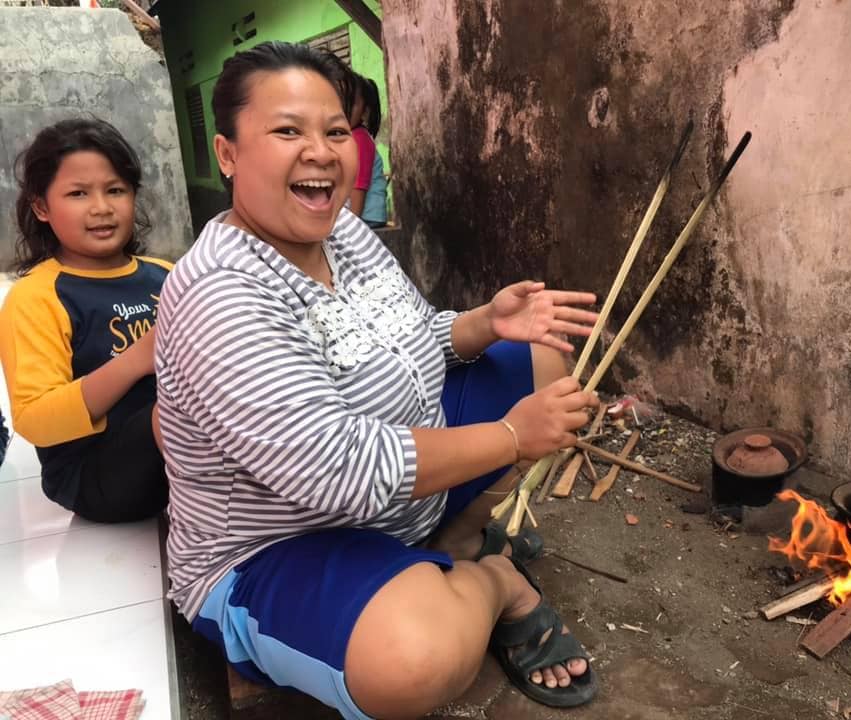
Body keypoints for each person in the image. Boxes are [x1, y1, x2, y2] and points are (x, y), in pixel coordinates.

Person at [155, 42, 601, 719]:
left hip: (395, 501)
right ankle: (494, 582)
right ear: (227, 153)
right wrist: (512, 437)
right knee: (412, 660)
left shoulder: (343, 236)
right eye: (287, 131)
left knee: (540, 357)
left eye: (335, 131)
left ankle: (446, 542)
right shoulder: (221, 296)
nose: (322, 151)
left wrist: (483, 323)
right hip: (274, 545)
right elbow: (341, 469)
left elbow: (411, 339)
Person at [0, 118, 169, 523]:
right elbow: (37, 421)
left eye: (116, 190)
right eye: (78, 193)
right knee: (179, 411)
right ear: (42, 207)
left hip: (177, 459)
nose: (101, 208)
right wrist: (137, 359)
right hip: (93, 474)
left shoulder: (166, 274)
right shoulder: (36, 297)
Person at [349, 74, 389, 228]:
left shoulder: (359, 139)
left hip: (367, 216)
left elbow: (360, 185)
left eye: (351, 104)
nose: (343, 109)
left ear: (365, 110)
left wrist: (352, 226)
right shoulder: (350, 137)